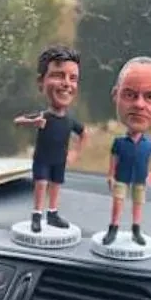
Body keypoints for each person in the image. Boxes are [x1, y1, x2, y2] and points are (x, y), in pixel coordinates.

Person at [14, 44, 87, 234]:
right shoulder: (43, 116)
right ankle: (37, 215)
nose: (66, 83)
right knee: (41, 184)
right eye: (58, 75)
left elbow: (83, 133)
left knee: (56, 185)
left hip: (60, 159)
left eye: (73, 78)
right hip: (43, 159)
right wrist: (34, 122)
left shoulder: (70, 120)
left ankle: (52, 214)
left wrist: (75, 153)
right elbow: (18, 120)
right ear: (41, 82)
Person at [104, 56, 151, 246]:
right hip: (121, 178)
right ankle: (113, 228)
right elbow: (113, 159)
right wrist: (110, 175)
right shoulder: (119, 142)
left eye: (150, 97)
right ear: (116, 95)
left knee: (137, 204)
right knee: (118, 202)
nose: (139, 105)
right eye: (130, 95)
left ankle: (136, 229)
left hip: (140, 180)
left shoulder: (149, 145)